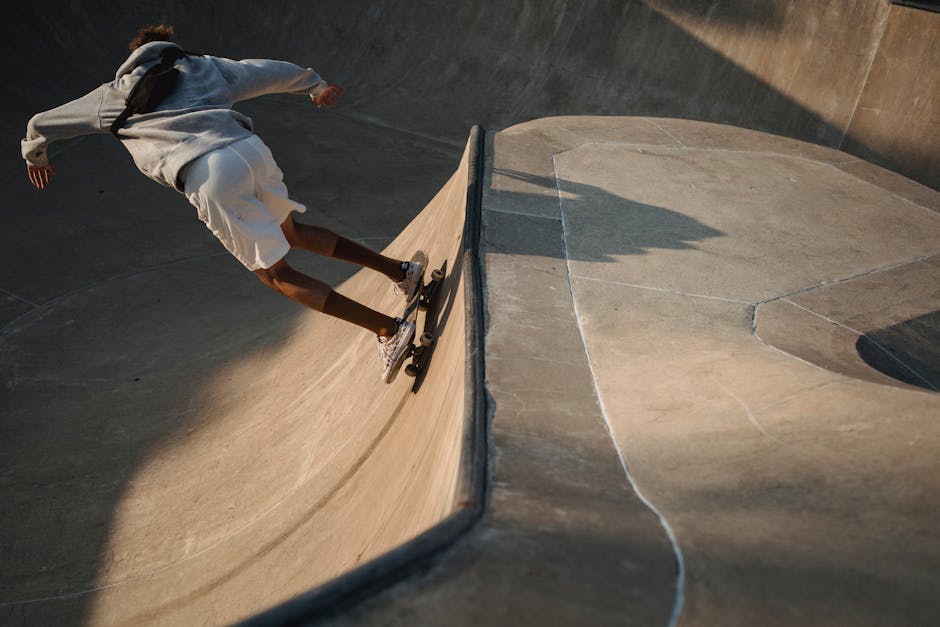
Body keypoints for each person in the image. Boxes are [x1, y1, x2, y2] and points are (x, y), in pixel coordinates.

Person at [21, 24, 421, 383]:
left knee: (276, 275)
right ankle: (402, 271)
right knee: (292, 232)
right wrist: (313, 85)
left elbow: (43, 122)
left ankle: (388, 329)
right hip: (250, 150)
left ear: (132, 57)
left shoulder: (111, 96)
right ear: (168, 48)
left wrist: (35, 155)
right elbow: (264, 71)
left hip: (209, 173)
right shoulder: (201, 65)